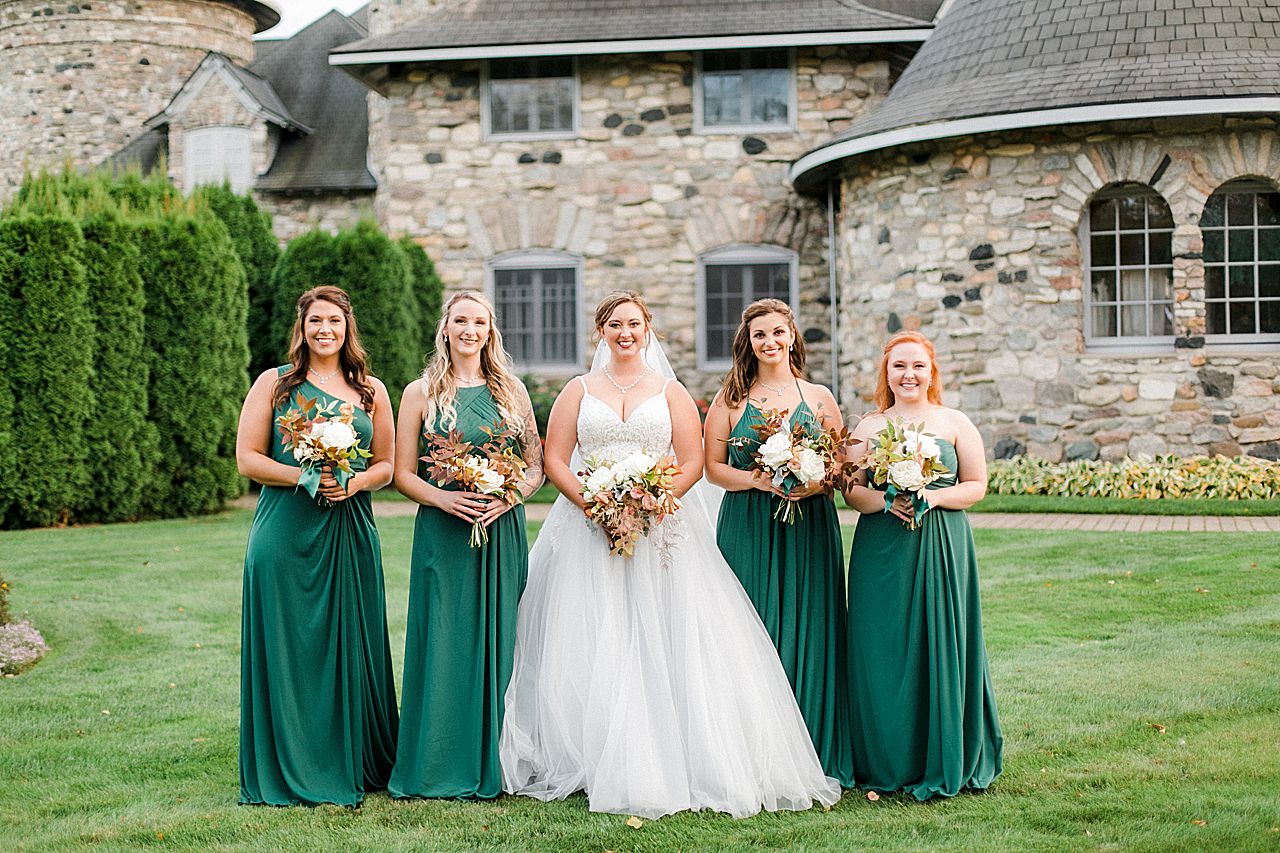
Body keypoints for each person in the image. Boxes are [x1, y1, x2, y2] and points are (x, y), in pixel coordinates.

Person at [500, 291, 840, 819]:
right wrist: (596, 503)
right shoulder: (578, 390)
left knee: (668, 632)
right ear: (601, 332)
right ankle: (585, 750)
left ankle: (673, 745)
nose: (624, 333)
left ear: (647, 328)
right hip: (587, 526)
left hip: (659, 525)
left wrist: (651, 500)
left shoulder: (671, 391)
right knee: (587, 632)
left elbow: (691, 463)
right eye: (614, 325)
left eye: (633, 323)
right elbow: (555, 457)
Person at [236, 285, 398, 806]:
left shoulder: (371, 390)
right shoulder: (275, 385)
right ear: (301, 329)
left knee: (350, 642)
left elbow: (387, 466)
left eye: (334, 321)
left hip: (350, 529)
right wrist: (304, 475)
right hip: (284, 531)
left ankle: (351, 756)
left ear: (348, 327)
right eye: (315, 322)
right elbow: (248, 459)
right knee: (291, 647)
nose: (324, 330)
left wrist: (351, 483)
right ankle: (292, 761)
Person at [389, 291, 543, 800]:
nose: (470, 330)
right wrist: (443, 500)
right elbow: (400, 472)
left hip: (501, 530)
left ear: (491, 330)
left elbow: (536, 466)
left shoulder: (512, 391)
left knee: (501, 638)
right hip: (442, 531)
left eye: (479, 321)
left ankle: (499, 760)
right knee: (443, 638)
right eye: (461, 320)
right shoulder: (420, 393)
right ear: (446, 328)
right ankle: (435, 761)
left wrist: (509, 497)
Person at [841, 331, 1003, 799]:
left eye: (917, 366)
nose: (908, 375)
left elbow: (976, 485)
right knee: (881, 648)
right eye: (898, 367)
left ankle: (943, 751)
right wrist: (885, 501)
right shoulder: (868, 427)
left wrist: (931, 496)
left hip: (940, 544)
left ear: (931, 372)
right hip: (882, 548)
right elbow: (850, 491)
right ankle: (887, 758)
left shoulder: (954, 422)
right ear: (886, 374)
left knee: (941, 642)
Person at [703, 298, 854, 787]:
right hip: (749, 524)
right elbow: (714, 469)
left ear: (793, 337)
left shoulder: (820, 396)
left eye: (778, 333)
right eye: (759, 335)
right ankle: (751, 752)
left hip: (809, 528)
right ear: (747, 343)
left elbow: (837, 468)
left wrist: (811, 481)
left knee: (811, 625)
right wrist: (760, 481)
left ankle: (812, 744)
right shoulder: (730, 399)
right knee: (751, 627)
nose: (770, 342)